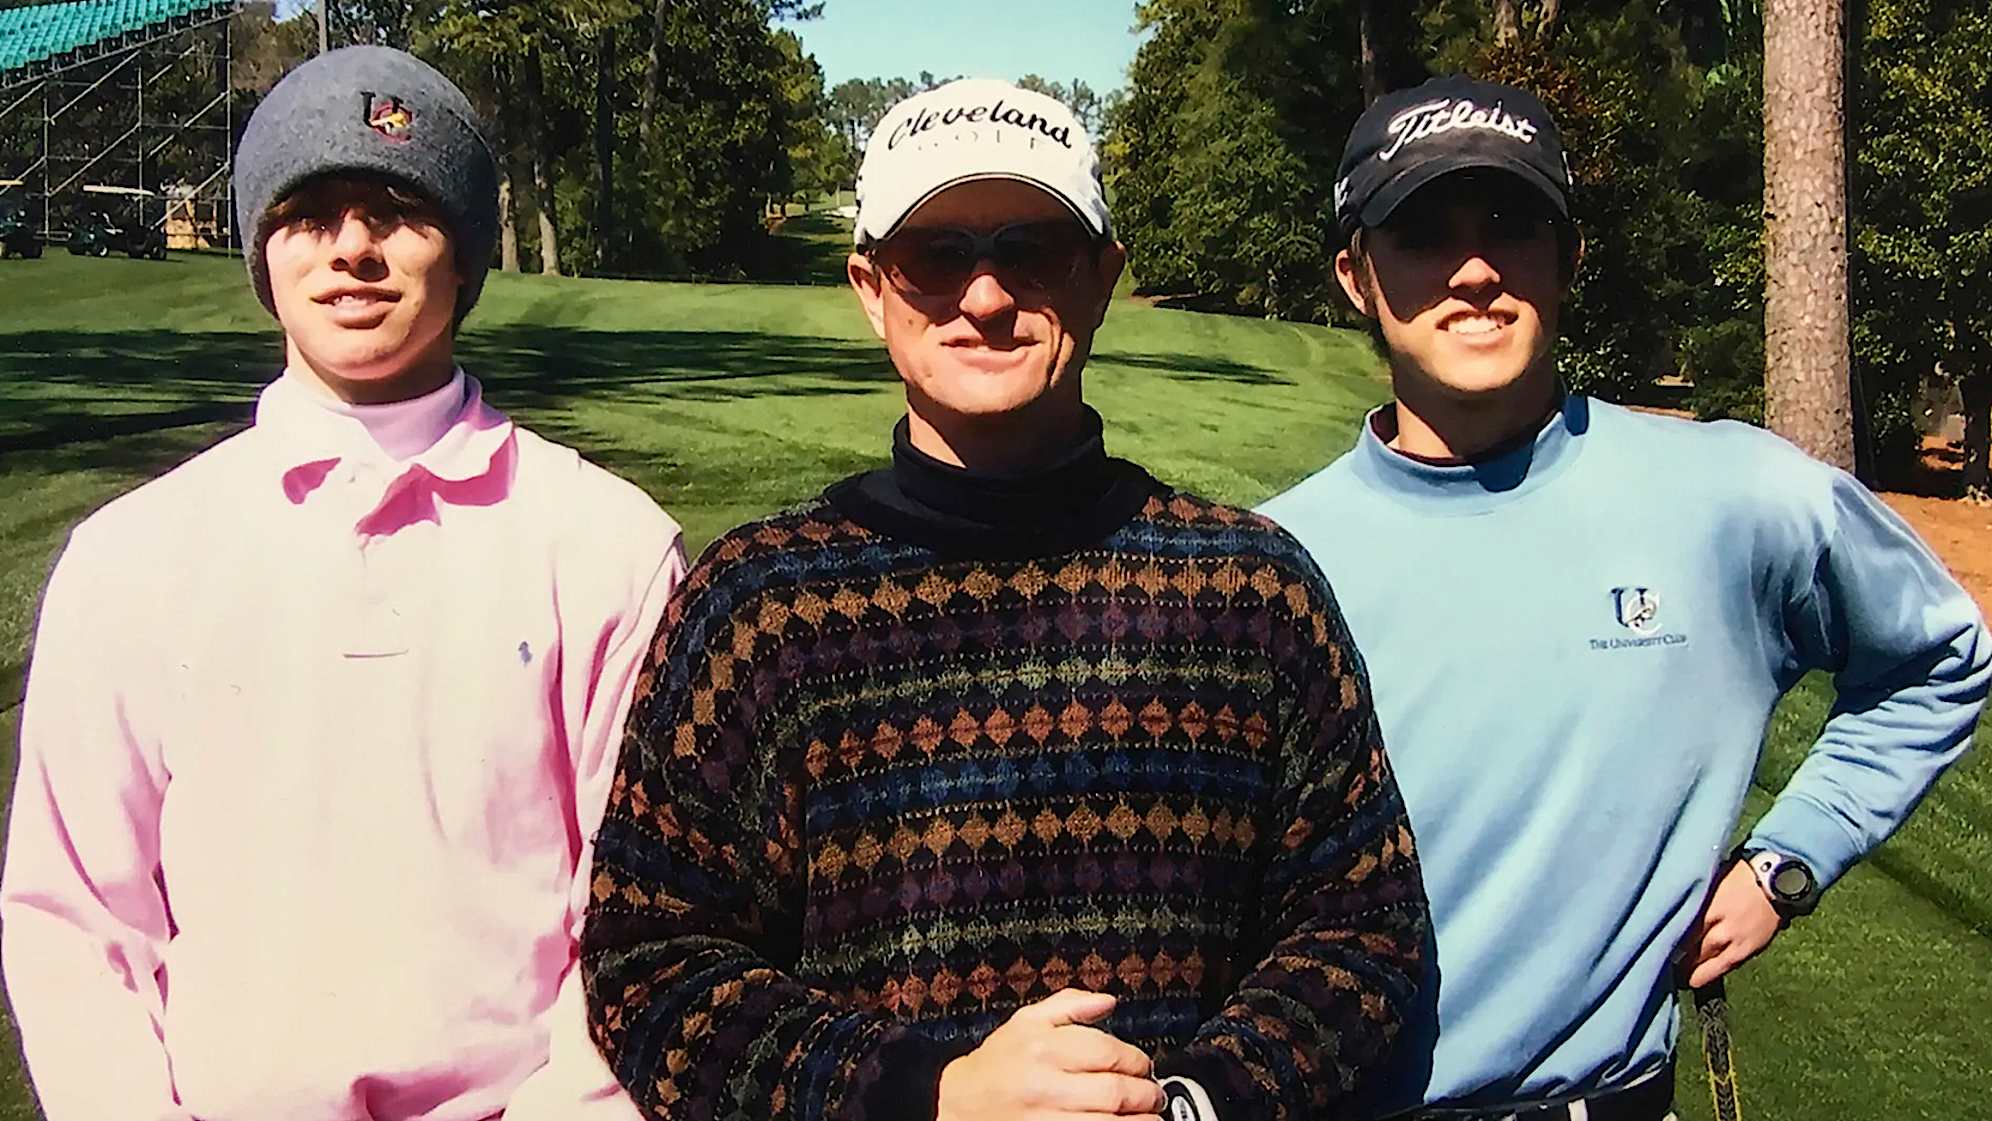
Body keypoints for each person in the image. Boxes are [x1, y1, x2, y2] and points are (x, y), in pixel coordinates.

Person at [579, 79, 1429, 1121]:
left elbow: (1369, 937)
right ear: (870, 285)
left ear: (1103, 277)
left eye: (1032, 250)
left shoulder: (1248, 592)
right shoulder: (758, 606)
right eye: (936, 256)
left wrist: (1191, 1102)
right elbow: (648, 965)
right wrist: (926, 1092)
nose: (986, 297)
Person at [1260, 75, 1992, 1120]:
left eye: (1513, 222)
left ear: (1570, 258)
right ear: (1355, 274)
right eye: (1422, 229)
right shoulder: (1272, 560)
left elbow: (1938, 656)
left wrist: (1791, 856)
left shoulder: (1728, 500)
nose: (1474, 268)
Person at [1, 46, 686, 1121]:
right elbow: (76, 916)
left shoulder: (604, 545)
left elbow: (644, 912)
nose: (352, 249)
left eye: (398, 209)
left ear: (463, 254)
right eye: (310, 213)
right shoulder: (132, 556)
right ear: (262, 253)